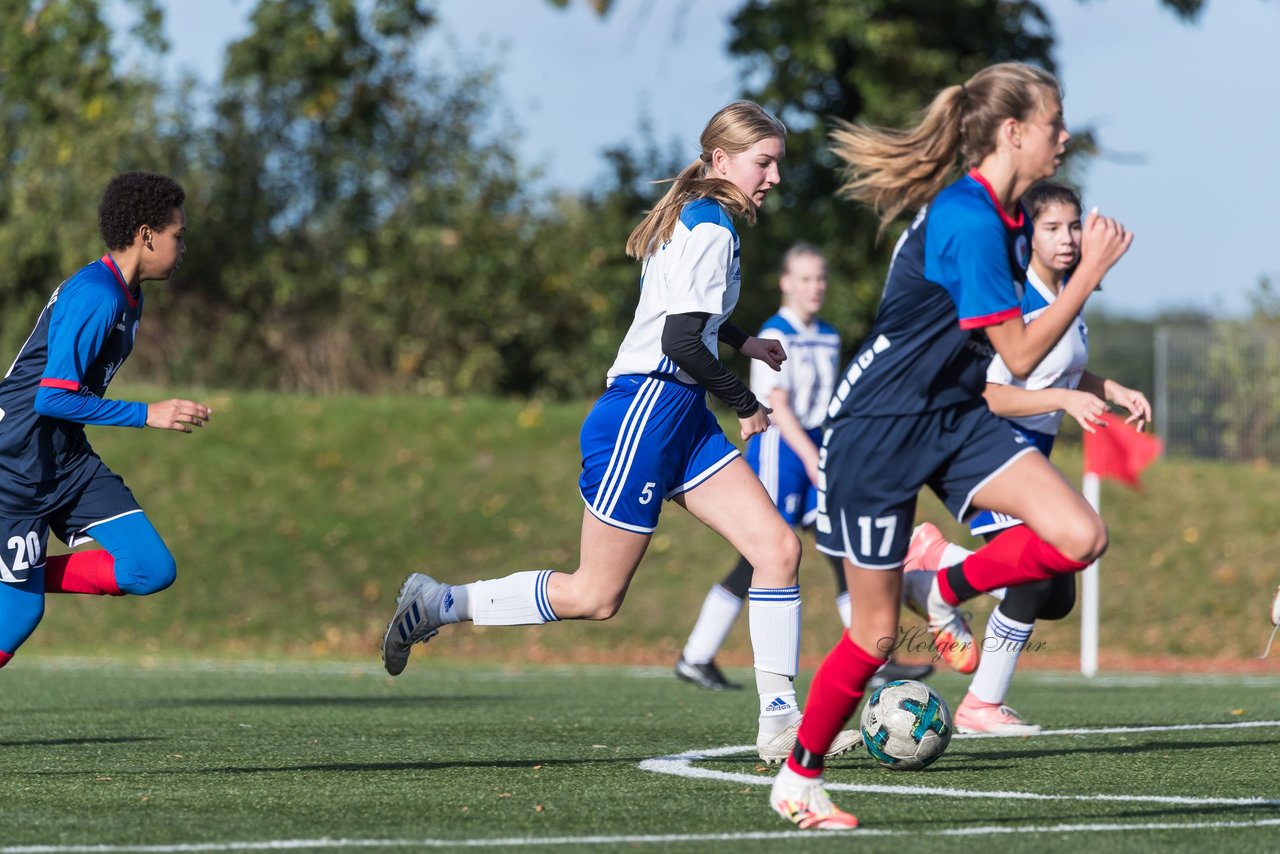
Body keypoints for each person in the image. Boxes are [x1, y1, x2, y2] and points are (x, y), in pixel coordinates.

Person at [381, 101, 859, 765]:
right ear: (722, 161)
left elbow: (693, 317)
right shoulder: (712, 225)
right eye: (765, 162)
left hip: (679, 412)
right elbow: (680, 339)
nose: (774, 177)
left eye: (777, 162)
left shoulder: (700, 216)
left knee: (777, 548)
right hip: (646, 410)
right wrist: (745, 401)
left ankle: (781, 721)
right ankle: (439, 603)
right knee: (595, 596)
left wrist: (747, 339)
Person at [766, 62, 1133, 830]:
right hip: (877, 430)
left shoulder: (996, 217)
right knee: (870, 636)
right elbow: (1023, 355)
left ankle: (945, 584)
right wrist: (1089, 271)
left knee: (1079, 536)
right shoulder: (967, 218)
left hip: (955, 417)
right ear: (1014, 131)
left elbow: (1000, 357)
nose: (1065, 136)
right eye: (1054, 122)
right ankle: (800, 778)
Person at [902, 182, 1151, 735]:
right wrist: (1064, 399)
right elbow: (987, 392)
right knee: (1036, 577)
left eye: (1074, 226)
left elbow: (1058, 367)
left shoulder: (1065, 296)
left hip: (1027, 457)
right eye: (1053, 228)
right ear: (1028, 235)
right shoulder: (1014, 299)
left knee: (1057, 595)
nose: (1068, 239)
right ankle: (980, 702)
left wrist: (1110, 388)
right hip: (986, 452)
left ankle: (937, 567)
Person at [675, 243, 933, 692]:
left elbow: (829, 404)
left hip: (817, 449)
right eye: (806, 279)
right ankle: (697, 655)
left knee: (841, 550)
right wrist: (814, 462)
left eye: (821, 279)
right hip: (781, 450)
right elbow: (780, 407)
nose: (815, 287)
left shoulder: (829, 335)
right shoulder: (776, 331)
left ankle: (876, 656)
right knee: (760, 554)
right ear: (786, 283)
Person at [0, 171, 212, 670]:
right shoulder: (98, 295)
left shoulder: (127, 295)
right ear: (146, 235)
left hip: (66, 460)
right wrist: (148, 414)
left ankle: (20, 572)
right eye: (177, 236)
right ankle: (17, 580)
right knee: (21, 612)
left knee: (150, 568)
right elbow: (51, 399)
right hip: (15, 464)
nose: (182, 248)